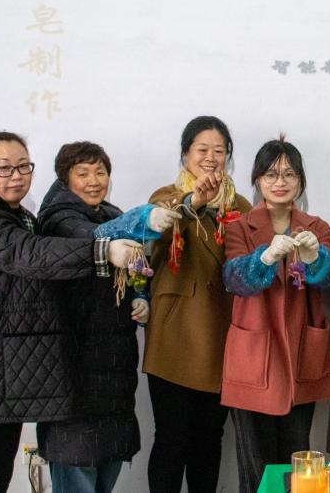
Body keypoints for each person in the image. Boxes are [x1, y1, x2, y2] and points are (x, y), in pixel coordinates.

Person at [0, 132, 160, 493]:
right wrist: (102, 252)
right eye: (4, 169)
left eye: (23, 166)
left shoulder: (16, 215)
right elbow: (30, 254)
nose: (16, 176)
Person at [37, 141, 177, 493]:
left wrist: (140, 296)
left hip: (113, 371)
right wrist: (145, 218)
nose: (93, 181)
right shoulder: (59, 218)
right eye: (82, 173)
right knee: (75, 465)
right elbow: (95, 239)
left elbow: (137, 267)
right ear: (65, 179)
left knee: (104, 471)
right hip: (73, 367)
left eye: (100, 172)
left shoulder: (110, 213)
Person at [220, 137, 330, 493]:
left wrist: (316, 258)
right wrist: (265, 257)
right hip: (254, 356)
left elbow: (328, 279)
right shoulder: (239, 227)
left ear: (300, 180)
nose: (280, 181)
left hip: (303, 352)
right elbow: (234, 279)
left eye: (289, 174)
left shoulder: (316, 227)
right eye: (271, 174)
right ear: (257, 179)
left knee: (297, 465)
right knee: (256, 470)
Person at [143, 116, 251, 493]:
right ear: (185, 154)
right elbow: (153, 240)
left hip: (221, 335)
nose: (210, 157)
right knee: (172, 437)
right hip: (174, 336)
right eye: (202, 149)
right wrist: (194, 204)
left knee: (209, 438)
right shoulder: (166, 197)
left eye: (219, 151)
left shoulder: (240, 205)